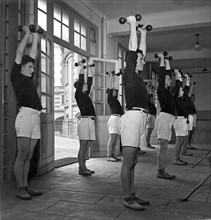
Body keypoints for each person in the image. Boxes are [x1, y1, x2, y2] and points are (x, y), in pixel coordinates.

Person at [119, 16, 150, 211]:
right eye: (140, 59)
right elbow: (132, 52)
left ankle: (131, 193)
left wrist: (144, 34)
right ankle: (126, 197)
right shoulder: (128, 73)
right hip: (131, 118)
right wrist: (132, 26)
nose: (143, 60)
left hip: (140, 118)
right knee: (128, 161)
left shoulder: (137, 77)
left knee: (134, 161)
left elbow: (139, 52)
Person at [10, 25, 42, 200]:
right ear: (21, 67)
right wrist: (28, 34)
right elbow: (20, 51)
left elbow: (33, 55)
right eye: (29, 67)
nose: (32, 69)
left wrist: (36, 36)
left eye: (33, 67)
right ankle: (20, 187)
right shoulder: (16, 75)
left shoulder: (29, 77)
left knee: (29, 154)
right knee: (22, 153)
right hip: (25, 117)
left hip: (35, 117)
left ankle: (26, 185)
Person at [155, 53, 176, 179]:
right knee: (163, 147)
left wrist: (167, 61)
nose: (170, 80)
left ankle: (161, 169)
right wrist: (162, 59)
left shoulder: (167, 91)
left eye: (170, 78)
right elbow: (162, 76)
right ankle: (160, 171)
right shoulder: (161, 90)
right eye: (168, 79)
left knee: (165, 146)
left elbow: (167, 74)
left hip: (168, 119)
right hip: (164, 119)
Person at [74, 60, 96, 176]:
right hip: (84, 122)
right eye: (85, 84)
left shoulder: (85, 95)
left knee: (88, 145)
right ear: (81, 86)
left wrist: (90, 69)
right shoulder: (78, 95)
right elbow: (82, 79)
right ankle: (81, 168)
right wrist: (82, 67)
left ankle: (84, 166)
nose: (87, 85)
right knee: (83, 147)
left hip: (91, 121)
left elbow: (90, 81)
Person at [106, 72, 123, 162]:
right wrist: (111, 77)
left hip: (118, 119)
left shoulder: (115, 99)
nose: (116, 92)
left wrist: (117, 77)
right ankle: (109, 156)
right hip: (114, 119)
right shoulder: (110, 98)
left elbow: (115, 87)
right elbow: (111, 87)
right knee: (112, 138)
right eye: (114, 91)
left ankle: (113, 155)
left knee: (115, 138)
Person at [173, 70, 189, 165]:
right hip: (179, 120)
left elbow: (186, 89)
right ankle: (176, 159)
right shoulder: (176, 98)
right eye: (181, 90)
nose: (183, 91)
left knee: (182, 140)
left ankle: (178, 158)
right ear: (178, 92)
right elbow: (178, 86)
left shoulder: (182, 99)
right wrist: (177, 76)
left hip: (184, 120)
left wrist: (186, 78)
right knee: (179, 140)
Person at [182, 74, 197, 156]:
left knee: (189, 132)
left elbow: (190, 92)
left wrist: (190, 82)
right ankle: (184, 148)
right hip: (188, 116)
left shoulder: (188, 99)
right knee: (186, 133)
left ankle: (186, 147)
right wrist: (188, 80)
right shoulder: (185, 98)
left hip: (191, 115)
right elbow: (189, 91)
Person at [187, 82, 197, 150]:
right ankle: (187, 145)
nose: (193, 99)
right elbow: (190, 94)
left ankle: (189, 144)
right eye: (192, 97)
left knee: (192, 131)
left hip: (193, 116)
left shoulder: (192, 104)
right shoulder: (188, 101)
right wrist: (192, 86)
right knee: (189, 131)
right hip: (189, 116)